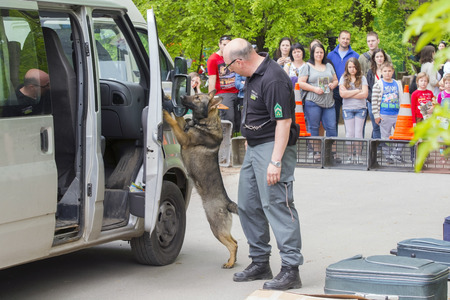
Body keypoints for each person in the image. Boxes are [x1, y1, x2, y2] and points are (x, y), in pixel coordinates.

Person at [223, 38, 303, 291]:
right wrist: (249, 136)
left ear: (239, 61)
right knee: (248, 204)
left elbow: (283, 122)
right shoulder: (253, 75)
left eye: (228, 66)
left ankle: (291, 269)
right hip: (255, 145)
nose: (229, 70)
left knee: (277, 204)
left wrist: (275, 161)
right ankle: (260, 261)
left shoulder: (274, 78)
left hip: (273, 146)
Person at [298, 43, 339, 138]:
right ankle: (315, 152)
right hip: (313, 102)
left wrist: (333, 85)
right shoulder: (307, 66)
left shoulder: (328, 66)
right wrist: (314, 89)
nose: (319, 54)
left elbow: (336, 80)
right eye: (317, 52)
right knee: (313, 127)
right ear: (313, 53)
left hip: (329, 102)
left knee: (331, 127)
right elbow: (301, 83)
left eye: (321, 52)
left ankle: (331, 151)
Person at [327, 30, 359, 134]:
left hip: (350, 91)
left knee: (351, 121)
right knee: (333, 120)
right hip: (334, 91)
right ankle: (332, 146)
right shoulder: (330, 55)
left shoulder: (355, 56)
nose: (345, 41)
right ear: (339, 39)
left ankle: (354, 147)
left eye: (347, 39)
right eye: (343, 38)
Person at [371, 62, 404, 163]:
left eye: (389, 71)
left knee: (401, 135)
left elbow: (401, 98)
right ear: (381, 72)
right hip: (384, 114)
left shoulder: (397, 83)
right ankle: (388, 156)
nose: (387, 73)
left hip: (397, 114)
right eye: (385, 71)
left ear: (393, 71)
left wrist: (402, 113)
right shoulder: (378, 85)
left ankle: (396, 154)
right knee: (385, 136)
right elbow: (374, 101)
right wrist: (376, 115)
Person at [207, 35, 239, 130]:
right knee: (229, 119)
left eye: (228, 45)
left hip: (237, 90)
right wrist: (211, 99)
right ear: (219, 44)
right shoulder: (213, 59)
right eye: (224, 44)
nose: (226, 47)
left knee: (238, 120)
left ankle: (235, 141)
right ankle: (226, 141)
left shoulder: (234, 57)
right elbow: (212, 79)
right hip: (223, 93)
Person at [339, 58, 368, 154]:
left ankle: (358, 155)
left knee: (358, 133)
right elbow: (342, 95)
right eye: (350, 67)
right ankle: (350, 155)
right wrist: (356, 91)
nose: (352, 69)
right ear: (347, 68)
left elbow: (364, 94)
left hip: (361, 109)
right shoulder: (343, 78)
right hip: (347, 109)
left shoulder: (362, 78)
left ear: (358, 67)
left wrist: (349, 93)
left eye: (354, 67)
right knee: (350, 133)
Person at [366, 48, 389, 139]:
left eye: (381, 56)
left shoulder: (389, 71)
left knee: (384, 126)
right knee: (376, 126)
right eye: (377, 57)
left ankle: (384, 146)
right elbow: (368, 88)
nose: (379, 58)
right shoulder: (370, 72)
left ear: (384, 58)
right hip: (372, 102)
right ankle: (377, 148)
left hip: (385, 102)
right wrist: (373, 100)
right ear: (374, 58)